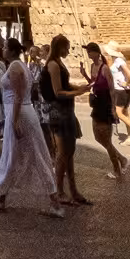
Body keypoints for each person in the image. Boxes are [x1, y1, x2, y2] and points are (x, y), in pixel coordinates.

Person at [0, 38, 65, 217]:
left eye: (4, 47)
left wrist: (15, 120)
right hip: (21, 112)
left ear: (10, 50)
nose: (2, 50)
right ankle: (0, 197)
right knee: (15, 155)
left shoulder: (15, 67)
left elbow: (19, 95)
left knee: (29, 155)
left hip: (20, 113)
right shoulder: (20, 66)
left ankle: (54, 202)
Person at [41, 35, 91, 206]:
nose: (68, 51)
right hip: (58, 112)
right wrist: (78, 92)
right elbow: (58, 92)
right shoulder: (53, 65)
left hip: (65, 111)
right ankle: (60, 191)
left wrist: (80, 88)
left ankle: (73, 190)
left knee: (69, 152)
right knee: (63, 153)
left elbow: (65, 84)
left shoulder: (58, 63)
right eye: (66, 48)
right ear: (59, 47)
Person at [82, 42, 128, 180]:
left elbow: (112, 89)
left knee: (106, 140)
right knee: (98, 137)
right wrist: (84, 75)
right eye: (88, 52)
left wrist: (114, 108)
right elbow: (93, 83)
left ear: (97, 52)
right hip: (96, 106)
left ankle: (117, 170)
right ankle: (122, 159)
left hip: (106, 106)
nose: (88, 54)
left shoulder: (104, 69)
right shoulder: (92, 67)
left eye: (90, 51)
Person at [103, 41, 130, 150]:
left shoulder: (118, 60)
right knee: (125, 114)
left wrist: (126, 82)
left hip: (121, 91)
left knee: (119, 113)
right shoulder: (113, 60)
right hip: (123, 91)